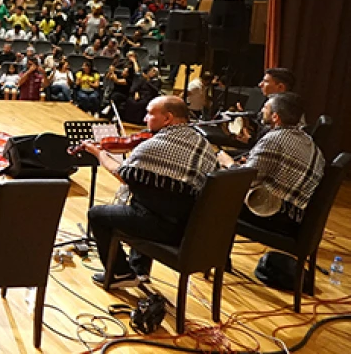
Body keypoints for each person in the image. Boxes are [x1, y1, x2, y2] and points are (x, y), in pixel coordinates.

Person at [86, 96, 218, 287]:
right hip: (191, 228)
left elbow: (122, 174)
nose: (144, 119)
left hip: (165, 229)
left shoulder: (156, 145)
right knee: (150, 194)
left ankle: (120, 273)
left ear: (168, 119)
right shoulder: (202, 143)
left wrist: (100, 154)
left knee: (97, 214)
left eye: (150, 113)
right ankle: (140, 270)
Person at [216, 93, 324, 237]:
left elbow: (243, 181)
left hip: (278, 216)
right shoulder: (308, 140)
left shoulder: (273, 139)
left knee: (214, 200)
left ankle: (214, 256)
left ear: (275, 117)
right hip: (298, 215)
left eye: (265, 108)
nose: (261, 110)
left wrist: (229, 163)